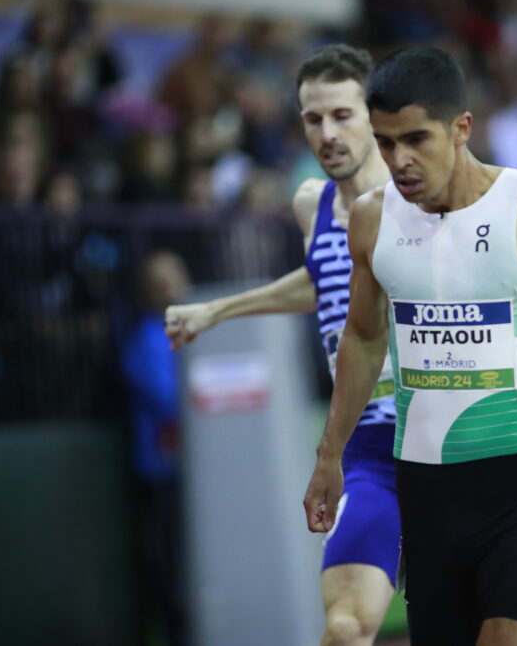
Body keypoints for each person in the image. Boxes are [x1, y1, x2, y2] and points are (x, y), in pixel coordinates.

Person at [303, 47, 517, 646]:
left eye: (415, 139)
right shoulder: (372, 219)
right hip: (427, 502)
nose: (398, 161)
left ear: (462, 128)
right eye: (384, 143)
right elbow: (362, 336)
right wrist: (330, 457)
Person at [164, 44, 401, 646]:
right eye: (312, 119)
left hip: (452, 433)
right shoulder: (311, 204)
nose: (326, 133)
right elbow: (318, 279)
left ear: (375, 114)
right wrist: (218, 310)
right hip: (370, 445)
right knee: (347, 629)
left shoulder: (416, 199)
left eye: (342, 115)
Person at [122, 250, 191, 646]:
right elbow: (170, 401)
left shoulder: (194, 331)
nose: (168, 289)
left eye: (173, 278)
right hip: (164, 476)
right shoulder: (146, 341)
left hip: (196, 476)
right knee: (172, 568)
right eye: (158, 282)